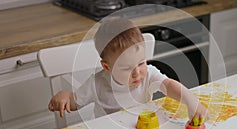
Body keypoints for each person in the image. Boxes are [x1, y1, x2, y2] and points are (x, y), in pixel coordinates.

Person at [48, 17, 208, 121]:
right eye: (126, 68)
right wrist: (65, 96)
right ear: (107, 67)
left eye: (141, 63)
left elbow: (170, 86)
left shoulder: (148, 74)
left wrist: (190, 100)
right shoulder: (97, 83)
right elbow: (75, 102)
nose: (137, 73)